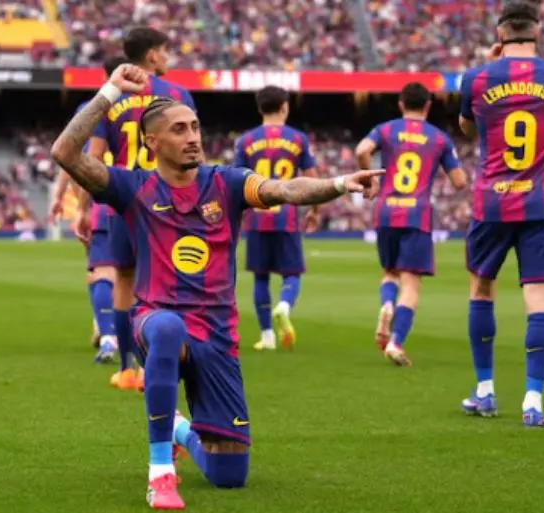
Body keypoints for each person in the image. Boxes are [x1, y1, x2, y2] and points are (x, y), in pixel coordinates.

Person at [51, 63, 384, 510]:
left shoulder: (226, 182)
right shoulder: (134, 188)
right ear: (151, 142)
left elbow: (285, 190)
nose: (193, 137)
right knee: (167, 329)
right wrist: (110, 91)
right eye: (179, 130)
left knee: (230, 475)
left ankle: (178, 429)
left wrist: (340, 183)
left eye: (195, 127)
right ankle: (160, 473)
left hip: (218, 334)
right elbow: (65, 152)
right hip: (157, 320)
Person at [457, 1, 544, 426]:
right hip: (541, 203)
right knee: (540, 303)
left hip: (491, 202)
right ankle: (533, 402)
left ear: (500, 33)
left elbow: (468, 129)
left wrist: (487, 67)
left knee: (481, 291)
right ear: (538, 31)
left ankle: (485, 392)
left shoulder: (476, 78)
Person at [73, 26, 196, 391]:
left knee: (124, 281)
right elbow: (191, 151)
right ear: (152, 55)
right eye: (165, 50)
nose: (168, 57)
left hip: (123, 201)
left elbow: (93, 158)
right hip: (167, 200)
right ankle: (157, 365)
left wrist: (83, 209)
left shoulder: (110, 96)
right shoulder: (177, 94)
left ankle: (128, 369)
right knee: (168, 283)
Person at [355, 82, 466, 366]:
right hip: (417, 214)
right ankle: (395, 342)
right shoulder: (439, 138)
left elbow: (362, 150)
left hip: (386, 211)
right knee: (411, 284)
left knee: (389, 272)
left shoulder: (386, 129)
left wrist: (370, 180)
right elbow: (459, 182)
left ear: (401, 104)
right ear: (428, 105)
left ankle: (387, 304)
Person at [49, 56, 126, 357]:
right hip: (145, 196)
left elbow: (78, 157)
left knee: (100, 269)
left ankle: (108, 333)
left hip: (105, 197)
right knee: (135, 271)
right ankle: (114, 327)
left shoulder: (95, 108)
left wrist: (76, 204)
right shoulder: (153, 106)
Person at [234, 86, 318, 351]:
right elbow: (312, 179)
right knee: (292, 273)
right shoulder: (298, 139)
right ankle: (283, 305)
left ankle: (267, 336)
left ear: (260, 108)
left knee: (260, 277)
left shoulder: (246, 141)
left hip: (257, 218)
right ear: (285, 107)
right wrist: (314, 210)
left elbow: (236, 181)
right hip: (287, 217)